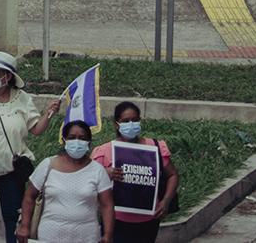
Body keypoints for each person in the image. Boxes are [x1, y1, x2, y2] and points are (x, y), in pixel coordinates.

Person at [0, 52, 62, 243]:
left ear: (7, 76)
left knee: (12, 216)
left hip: (11, 171)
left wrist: (49, 113)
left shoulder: (22, 99)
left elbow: (36, 129)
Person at [90, 103, 178, 243]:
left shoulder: (155, 147)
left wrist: (166, 201)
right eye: (125, 121)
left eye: (135, 120)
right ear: (116, 124)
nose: (131, 124)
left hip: (149, 221)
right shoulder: (105, 151)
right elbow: (87, 181)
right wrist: (104, 173)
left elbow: (172, 175)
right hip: (115, 221)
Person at [21, 121, 114, 243]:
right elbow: (29, 196)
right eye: (72, 138)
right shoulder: (48, 165)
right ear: (64, 140)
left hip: (86, 237)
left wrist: (108, 234)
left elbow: (107, 204)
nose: (77, 141)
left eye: (82, 138)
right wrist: (24, 226)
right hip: (49, 236)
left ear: (89, 142)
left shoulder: (97, 170)